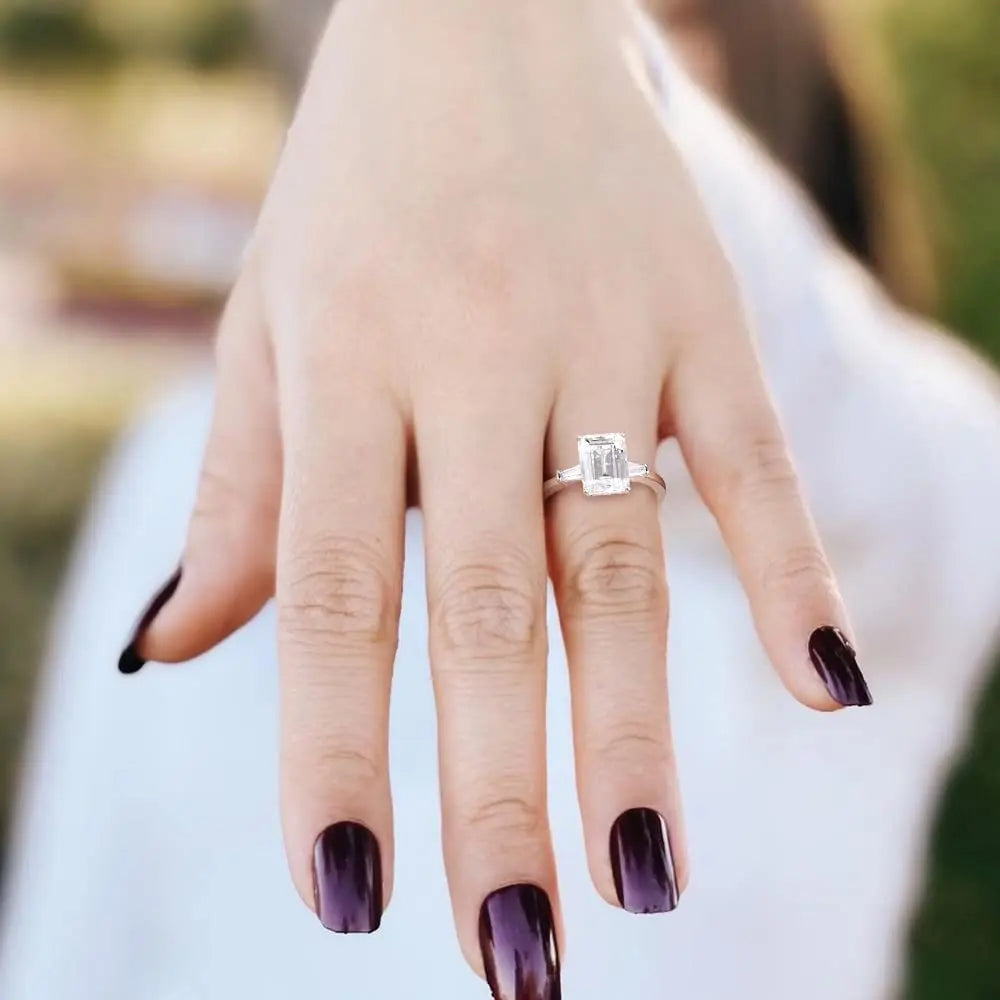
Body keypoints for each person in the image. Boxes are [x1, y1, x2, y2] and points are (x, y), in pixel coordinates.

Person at [2, 2, 1000, 998]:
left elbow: (789, 358)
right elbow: (73, 938)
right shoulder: (200, 459)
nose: (528, 146)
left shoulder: (926, 466)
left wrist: (543, 57)